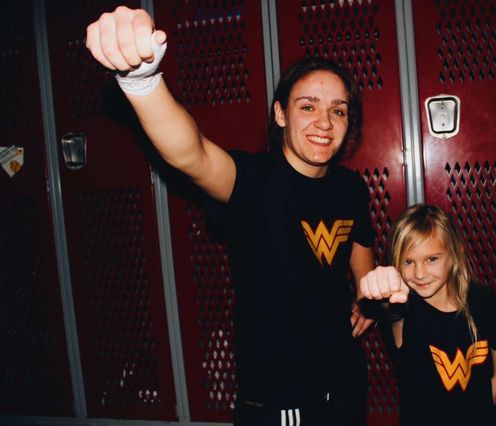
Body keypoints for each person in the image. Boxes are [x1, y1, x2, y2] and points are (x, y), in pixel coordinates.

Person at [86, 6, 375, 426]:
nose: (325, 123)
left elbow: (364, 270)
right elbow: (191, 153)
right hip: (277, 395)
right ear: (280, 114)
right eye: (308, 107)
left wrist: (370, 301)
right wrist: (141, 79)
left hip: (345, 384)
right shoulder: (251, 180)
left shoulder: (351, 189)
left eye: (338, 110)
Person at [359, 204, 496, 426]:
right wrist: (380, 283)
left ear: (455, 255)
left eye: (431, 259)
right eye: (408, 262)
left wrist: (494, 390)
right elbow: (391, 312)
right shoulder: (403, 309)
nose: (419, 274)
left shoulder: (482, 298)